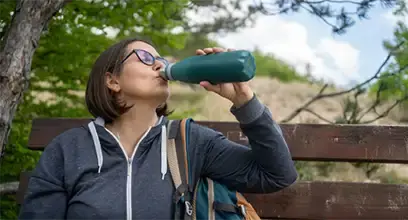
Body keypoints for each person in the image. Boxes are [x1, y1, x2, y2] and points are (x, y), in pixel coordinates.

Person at [19, 38, 299, 219]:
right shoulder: (68, 149)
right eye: (144, 56)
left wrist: (244, 100)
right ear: (112, 81)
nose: (160, 65)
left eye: (162, 60)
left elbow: (277, 175)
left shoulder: (189, 141)